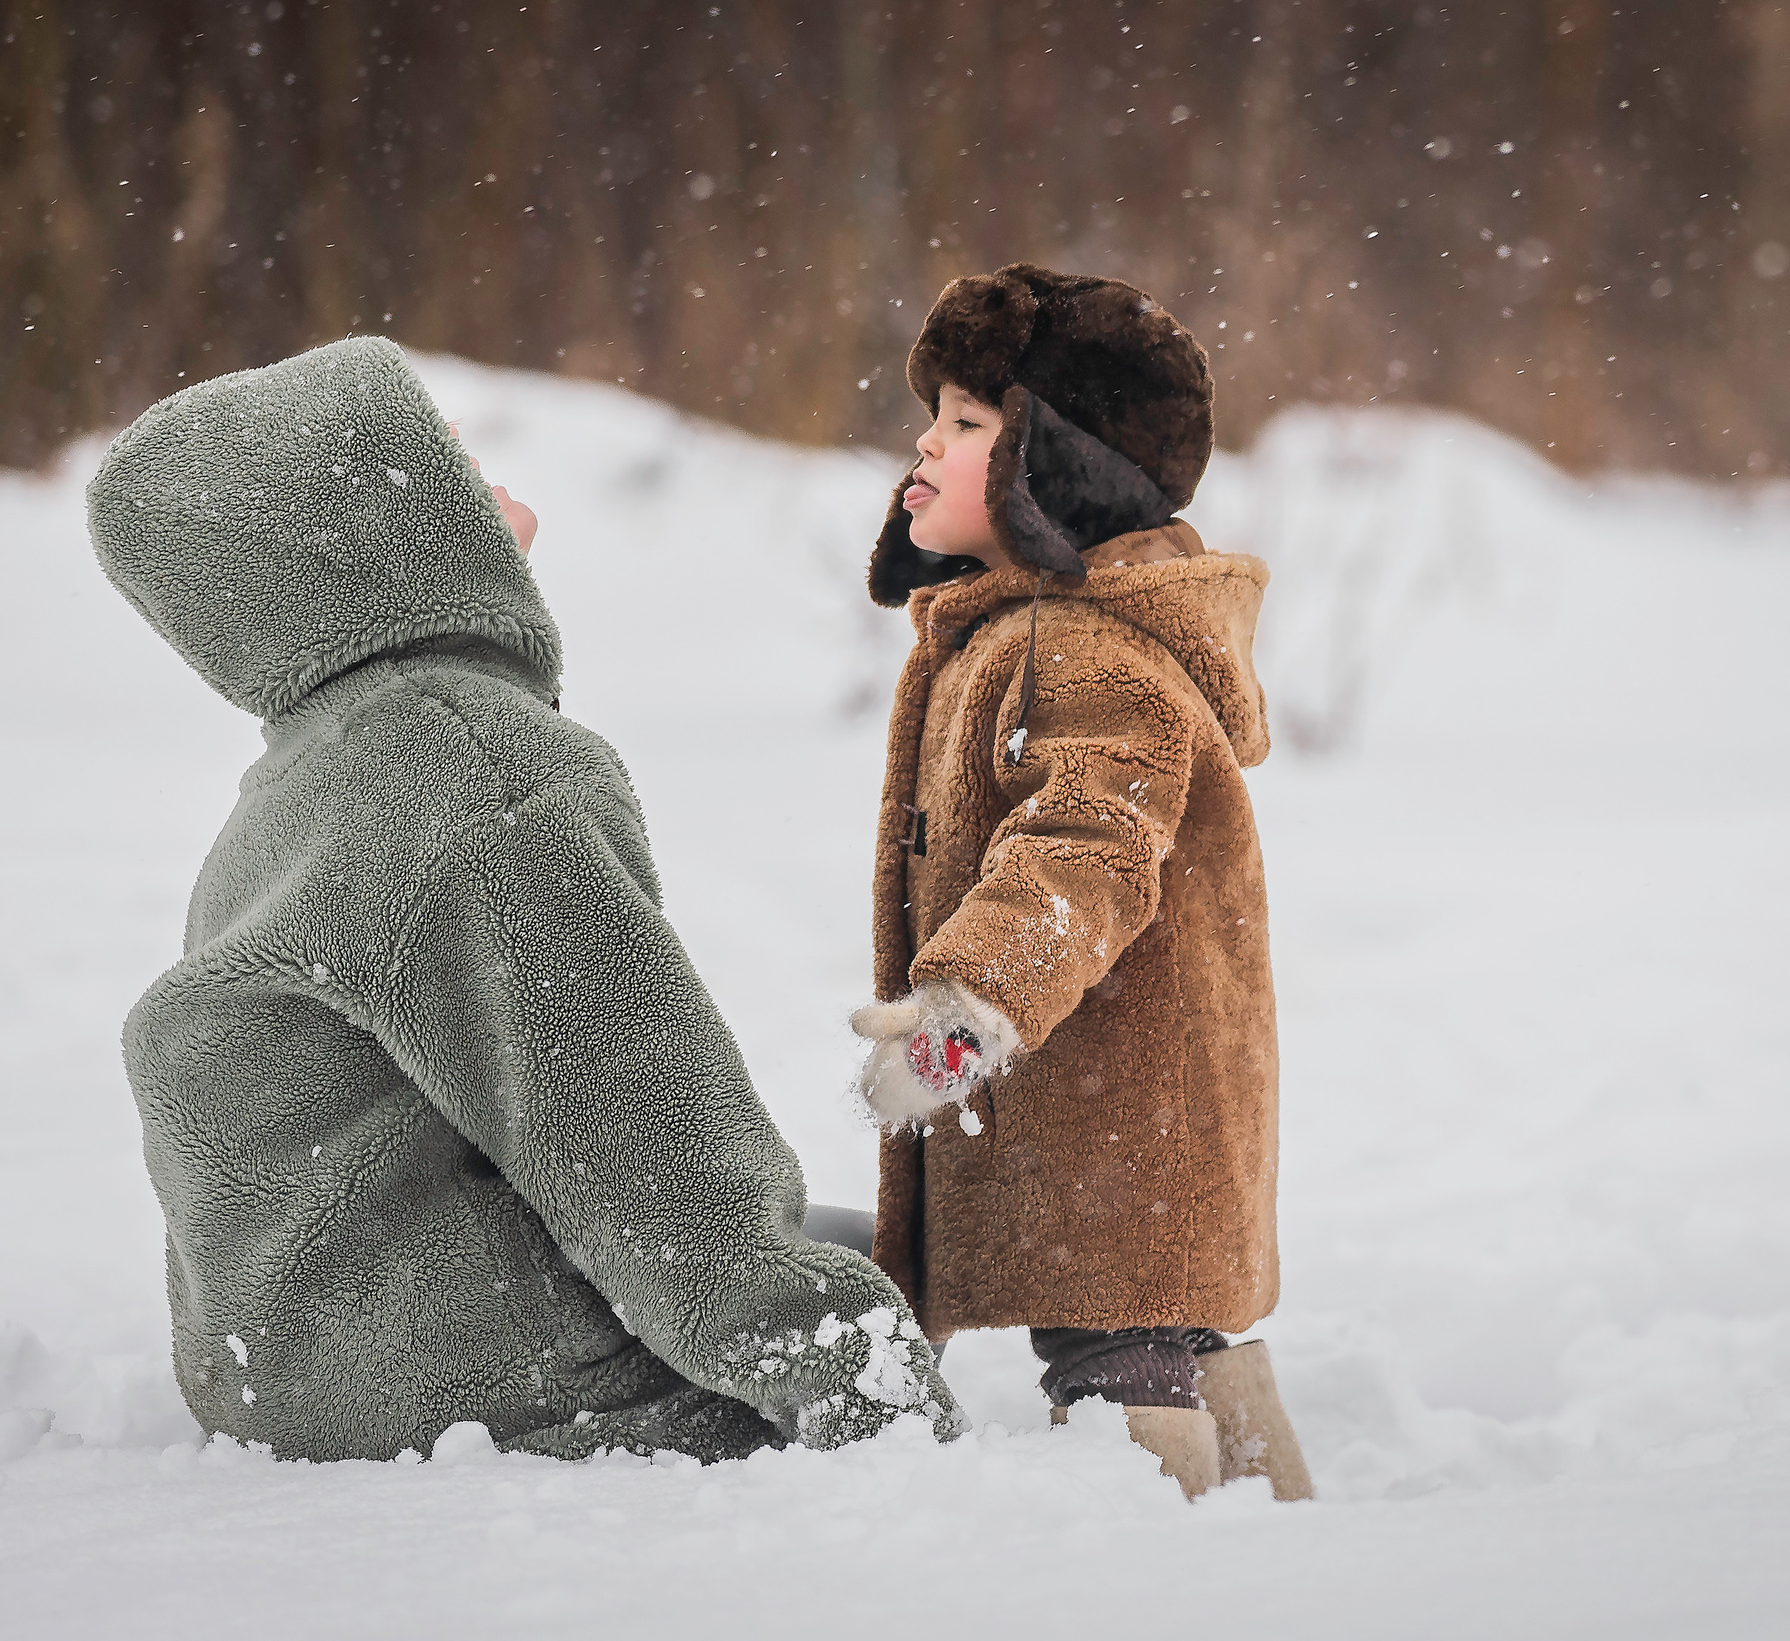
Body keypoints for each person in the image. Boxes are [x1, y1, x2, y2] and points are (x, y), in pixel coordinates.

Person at [88, 335, 958, 1464]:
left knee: (843, 1235)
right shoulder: (475, 768)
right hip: (465, 1380)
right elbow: (635, 1133)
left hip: (304, 1364)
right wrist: (874, 1405)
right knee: (873, 1277)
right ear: (378, 528)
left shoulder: (305, 781)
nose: (473, 464)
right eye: (437, 455)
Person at [851, 264, 1311, 1498]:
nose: (925, 443)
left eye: (966, 422)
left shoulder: (1081, 649)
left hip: (1118, 1117)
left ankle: (1147, 1562)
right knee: (1166, 1322)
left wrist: (967, 1007)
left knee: (1120, 1350)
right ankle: (1277, 1531)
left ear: (1050, 467)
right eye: (933, 416)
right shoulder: (1029, 629)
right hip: (1128, 1114)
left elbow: (1087, 846)